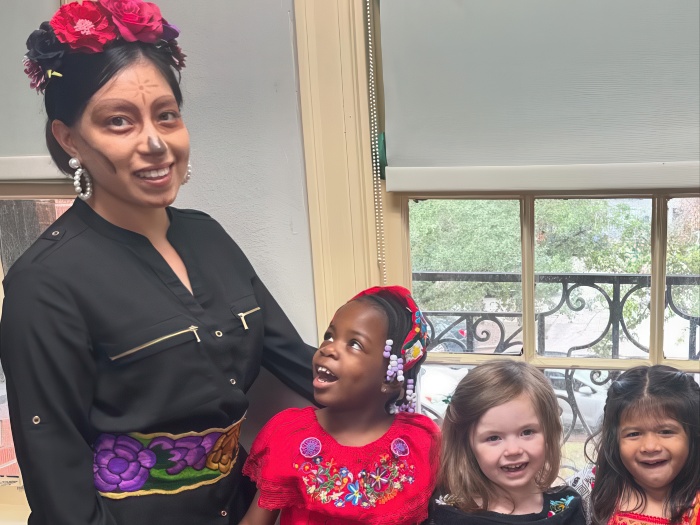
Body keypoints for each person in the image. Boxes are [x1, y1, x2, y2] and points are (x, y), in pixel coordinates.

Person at [0, 1, 315, 523]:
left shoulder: (208, 236)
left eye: (166, 115)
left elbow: (297, 361)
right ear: (69, 138)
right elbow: (55, 470)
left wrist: (406, 395)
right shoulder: (44, 283)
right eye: (118, 121)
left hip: (237, 507)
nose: (155, 143)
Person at [239, 286, 441, 525]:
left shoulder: (420, 443)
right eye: (329, 336)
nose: (328, 348)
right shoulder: (289, 433)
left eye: (354, 344)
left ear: (390, 379)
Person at [427, 360, 586, 525]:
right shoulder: (449, 514)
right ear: (467, 444)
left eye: (527, 432)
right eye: (493, 438)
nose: (513, 450)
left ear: (549, 434)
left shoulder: (567, 508)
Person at [572, 365, 699, 525]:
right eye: (634, 434)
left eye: (666, 432)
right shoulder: (590, 489)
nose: (650, 446)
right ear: (615, 440)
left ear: (693, 436)